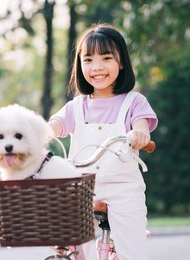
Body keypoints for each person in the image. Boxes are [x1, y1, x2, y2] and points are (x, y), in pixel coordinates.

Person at [48, 23, 158, 260]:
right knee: (76, 249)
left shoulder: (134, 102)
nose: (96, 67)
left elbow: (142, 127)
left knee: (132, 250)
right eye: (88, 60)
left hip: (123, 188)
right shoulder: (75, 107)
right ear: (80, 64)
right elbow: (49, 129)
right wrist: (34, 135)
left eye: (106, 58)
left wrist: (140, 134)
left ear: (121, 62)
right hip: (81, 188)